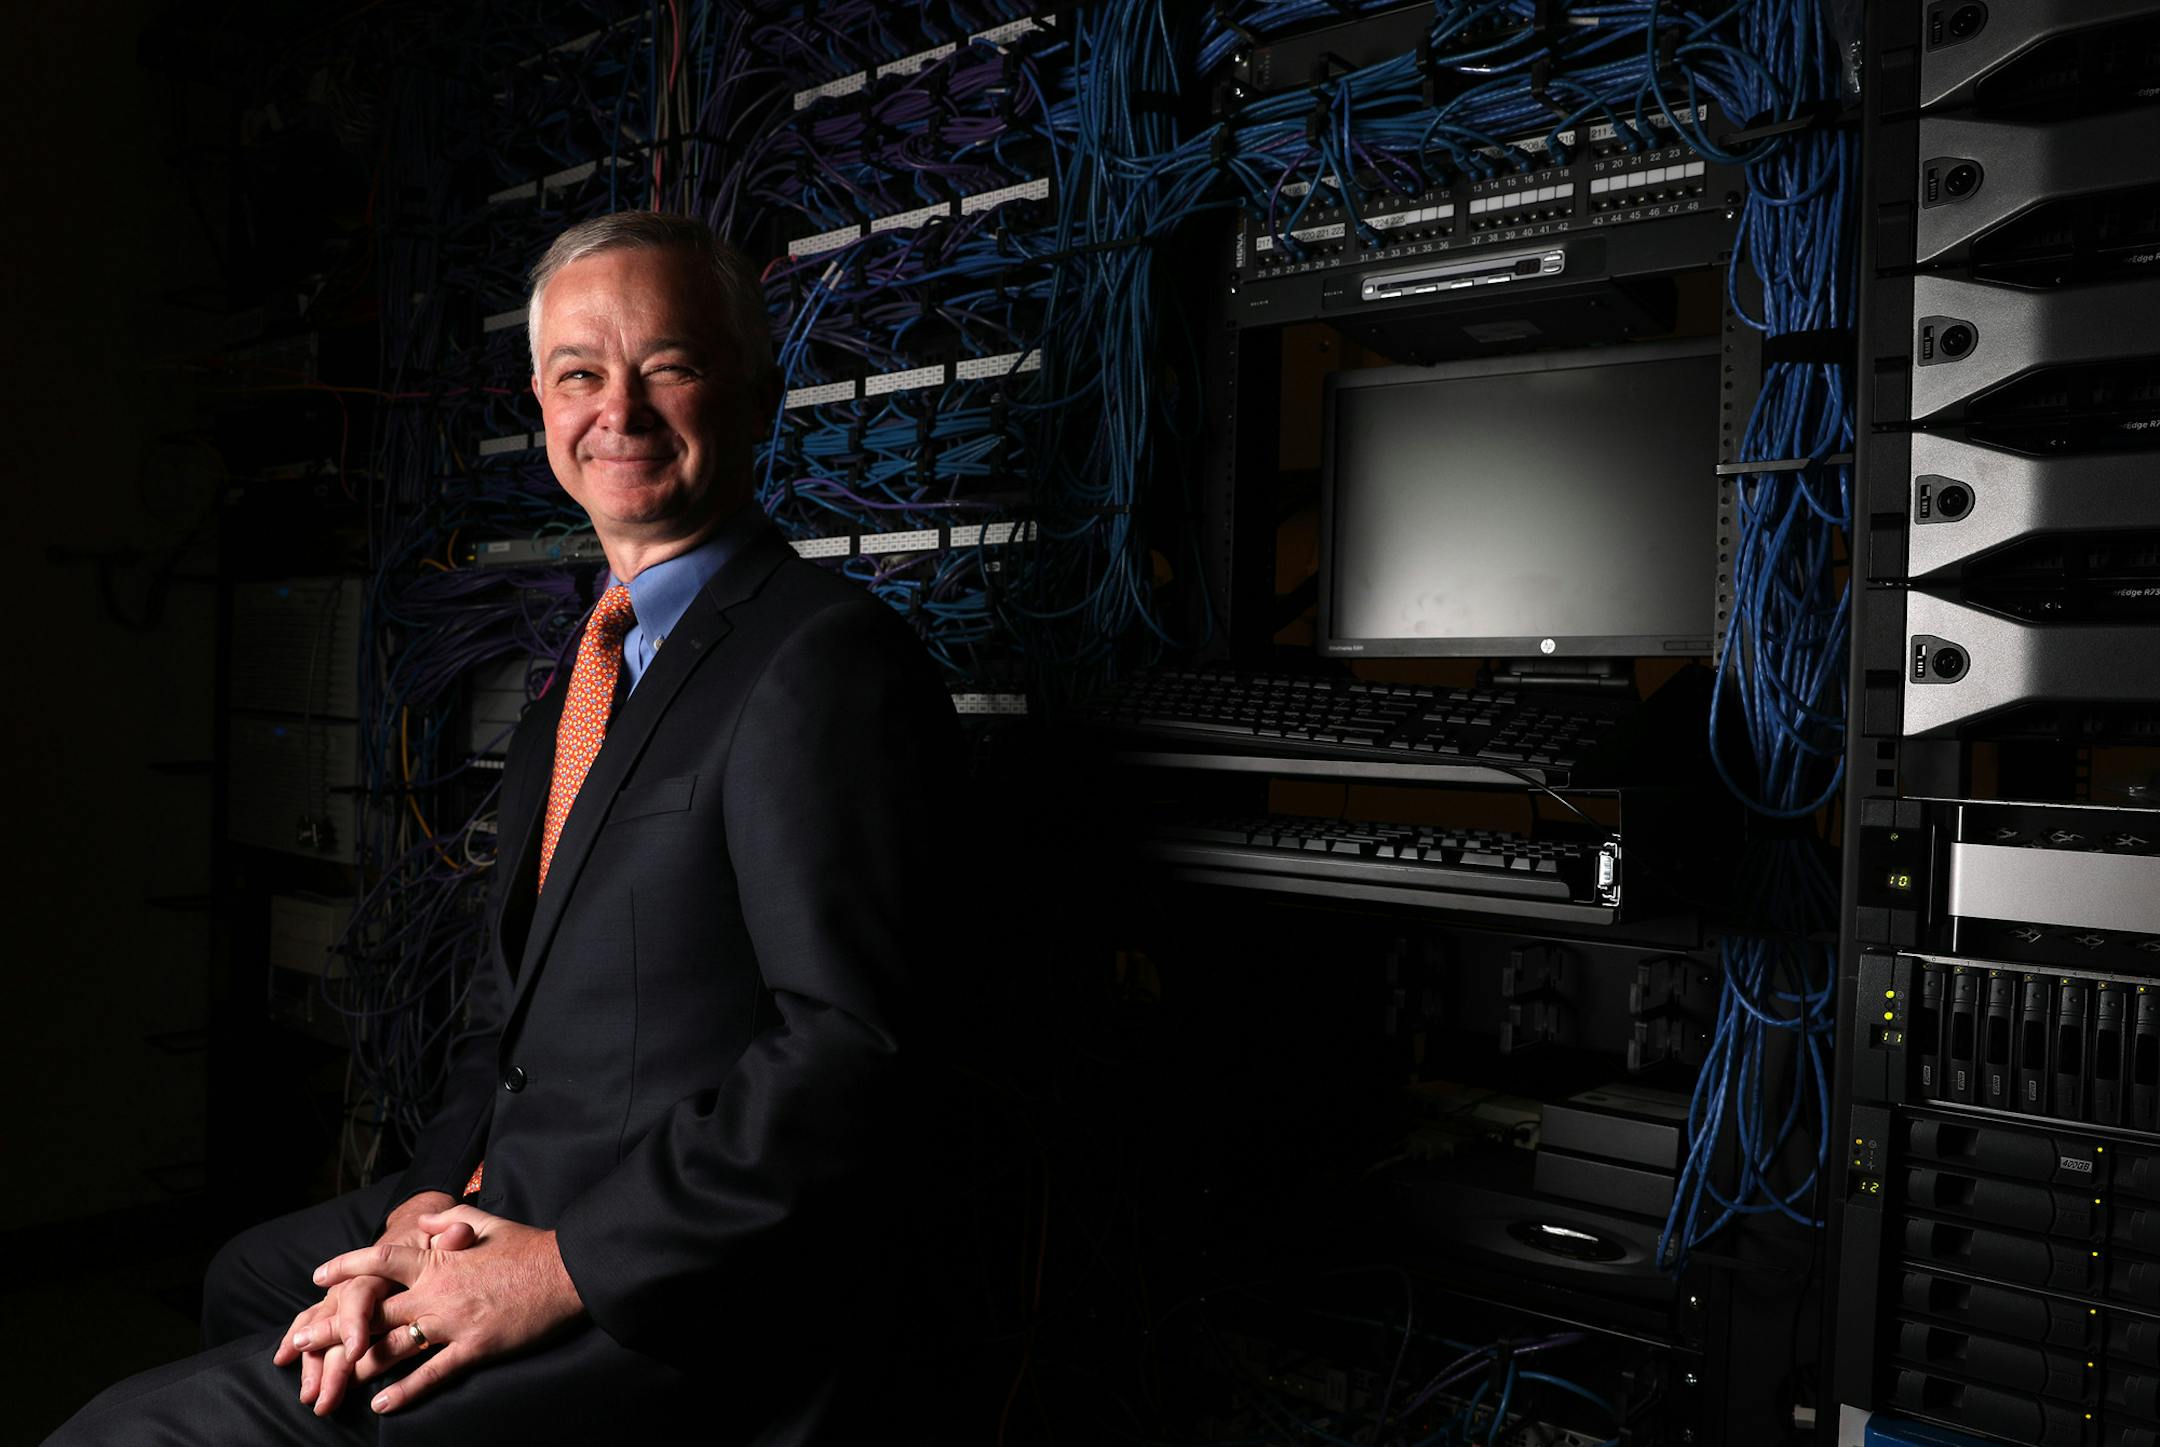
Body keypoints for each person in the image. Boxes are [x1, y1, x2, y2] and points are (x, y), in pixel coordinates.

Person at [49, 212, 963, 1445]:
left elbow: (852, 1054)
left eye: (672, 368)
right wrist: (423, 1214)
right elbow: (504, 1025)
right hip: (522, 1186)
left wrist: (551, 1267)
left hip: (672, 1270)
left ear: (757, 398)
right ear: (541, 405)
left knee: (127, 1433)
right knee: (252, 1280)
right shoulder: (582, 678)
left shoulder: (822, 663)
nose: (620, 412)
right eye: (581, 374)